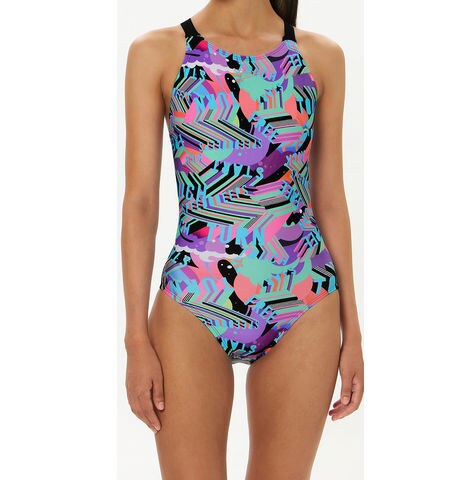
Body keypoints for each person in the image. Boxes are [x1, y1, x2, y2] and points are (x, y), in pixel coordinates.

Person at [121, 0, 364, 478]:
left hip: (304, 302)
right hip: (194, 300)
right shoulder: (160, 52)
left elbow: (331, 201)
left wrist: (352, 331)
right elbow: (141, 203)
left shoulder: (320, 58)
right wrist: (135, 339)